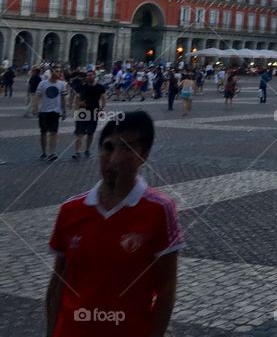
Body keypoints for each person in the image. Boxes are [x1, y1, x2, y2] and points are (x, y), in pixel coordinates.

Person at [46, 111, 183, 337]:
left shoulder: (159, 210)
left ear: (144, 155)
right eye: (108, 147)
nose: (114, 159)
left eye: (127, 149)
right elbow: (57, 282)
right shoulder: (71, 210)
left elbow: (166, 290)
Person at [72, 70, 106, 159]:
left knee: (91, 132)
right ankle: (77, 152)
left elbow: (103, 99)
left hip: (94, 111)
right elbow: (77, 97)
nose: (88, 77)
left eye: (90, 75)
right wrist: (77, 107)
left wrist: (102, 109)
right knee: (80, 132)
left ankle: (87, 150)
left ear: (94, 76)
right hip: (82, 112)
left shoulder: (100, 87)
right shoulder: (82, 86)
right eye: (87, 75)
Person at [38, 69, 67, 161]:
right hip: (43, 111)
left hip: (55, 111)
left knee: (54, 132)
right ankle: (44, 152)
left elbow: (63, 98)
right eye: (57, 71)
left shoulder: (62, 84)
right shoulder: (43, 83)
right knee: (43, 132)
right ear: (51, 72)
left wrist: (64, 110)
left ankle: (52, 152)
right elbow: (37, 95)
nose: (59, 73)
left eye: (60, 71)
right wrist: (35, 106)